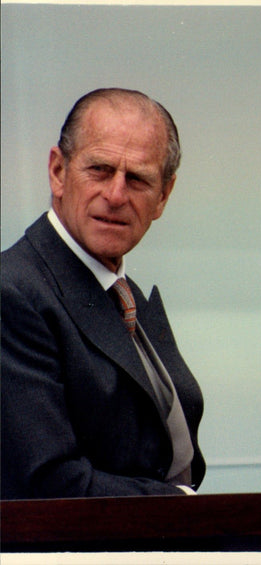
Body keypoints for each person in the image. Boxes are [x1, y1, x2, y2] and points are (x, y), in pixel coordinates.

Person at [1, 88, 205, 499]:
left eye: (137, 179)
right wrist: (185, 509)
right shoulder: (14, 292)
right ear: (58, 171)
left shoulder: (121, 293)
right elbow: (50, 482)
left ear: (164, 196)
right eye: (99, 169)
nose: (115, 195)